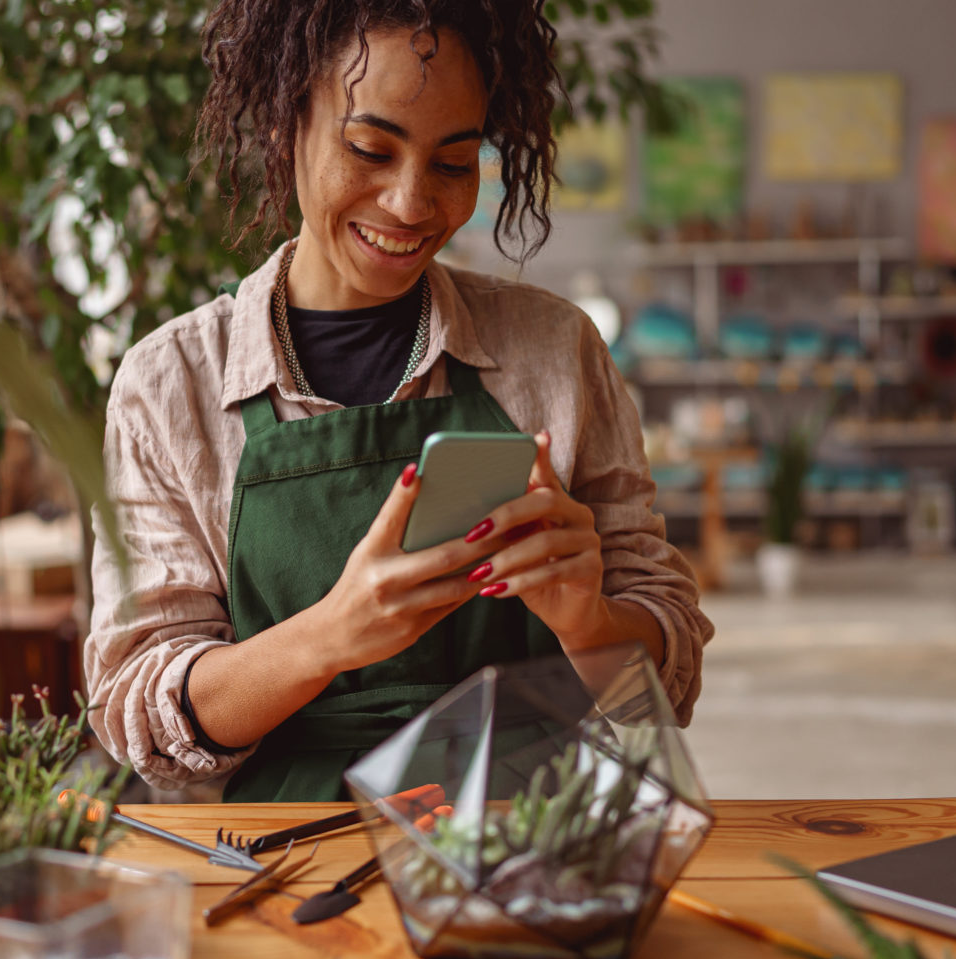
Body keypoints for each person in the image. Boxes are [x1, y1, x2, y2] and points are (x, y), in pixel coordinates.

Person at [85, 0, 711, 802]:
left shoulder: (552, 351)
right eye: (369, 149)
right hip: (278, 861)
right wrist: (331, 637)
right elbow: (143, 726)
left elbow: (651, 703)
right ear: (286, 125)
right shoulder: (172, 384)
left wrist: (586, 620)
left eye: (453, 163)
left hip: (524, 850)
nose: (411, 204)